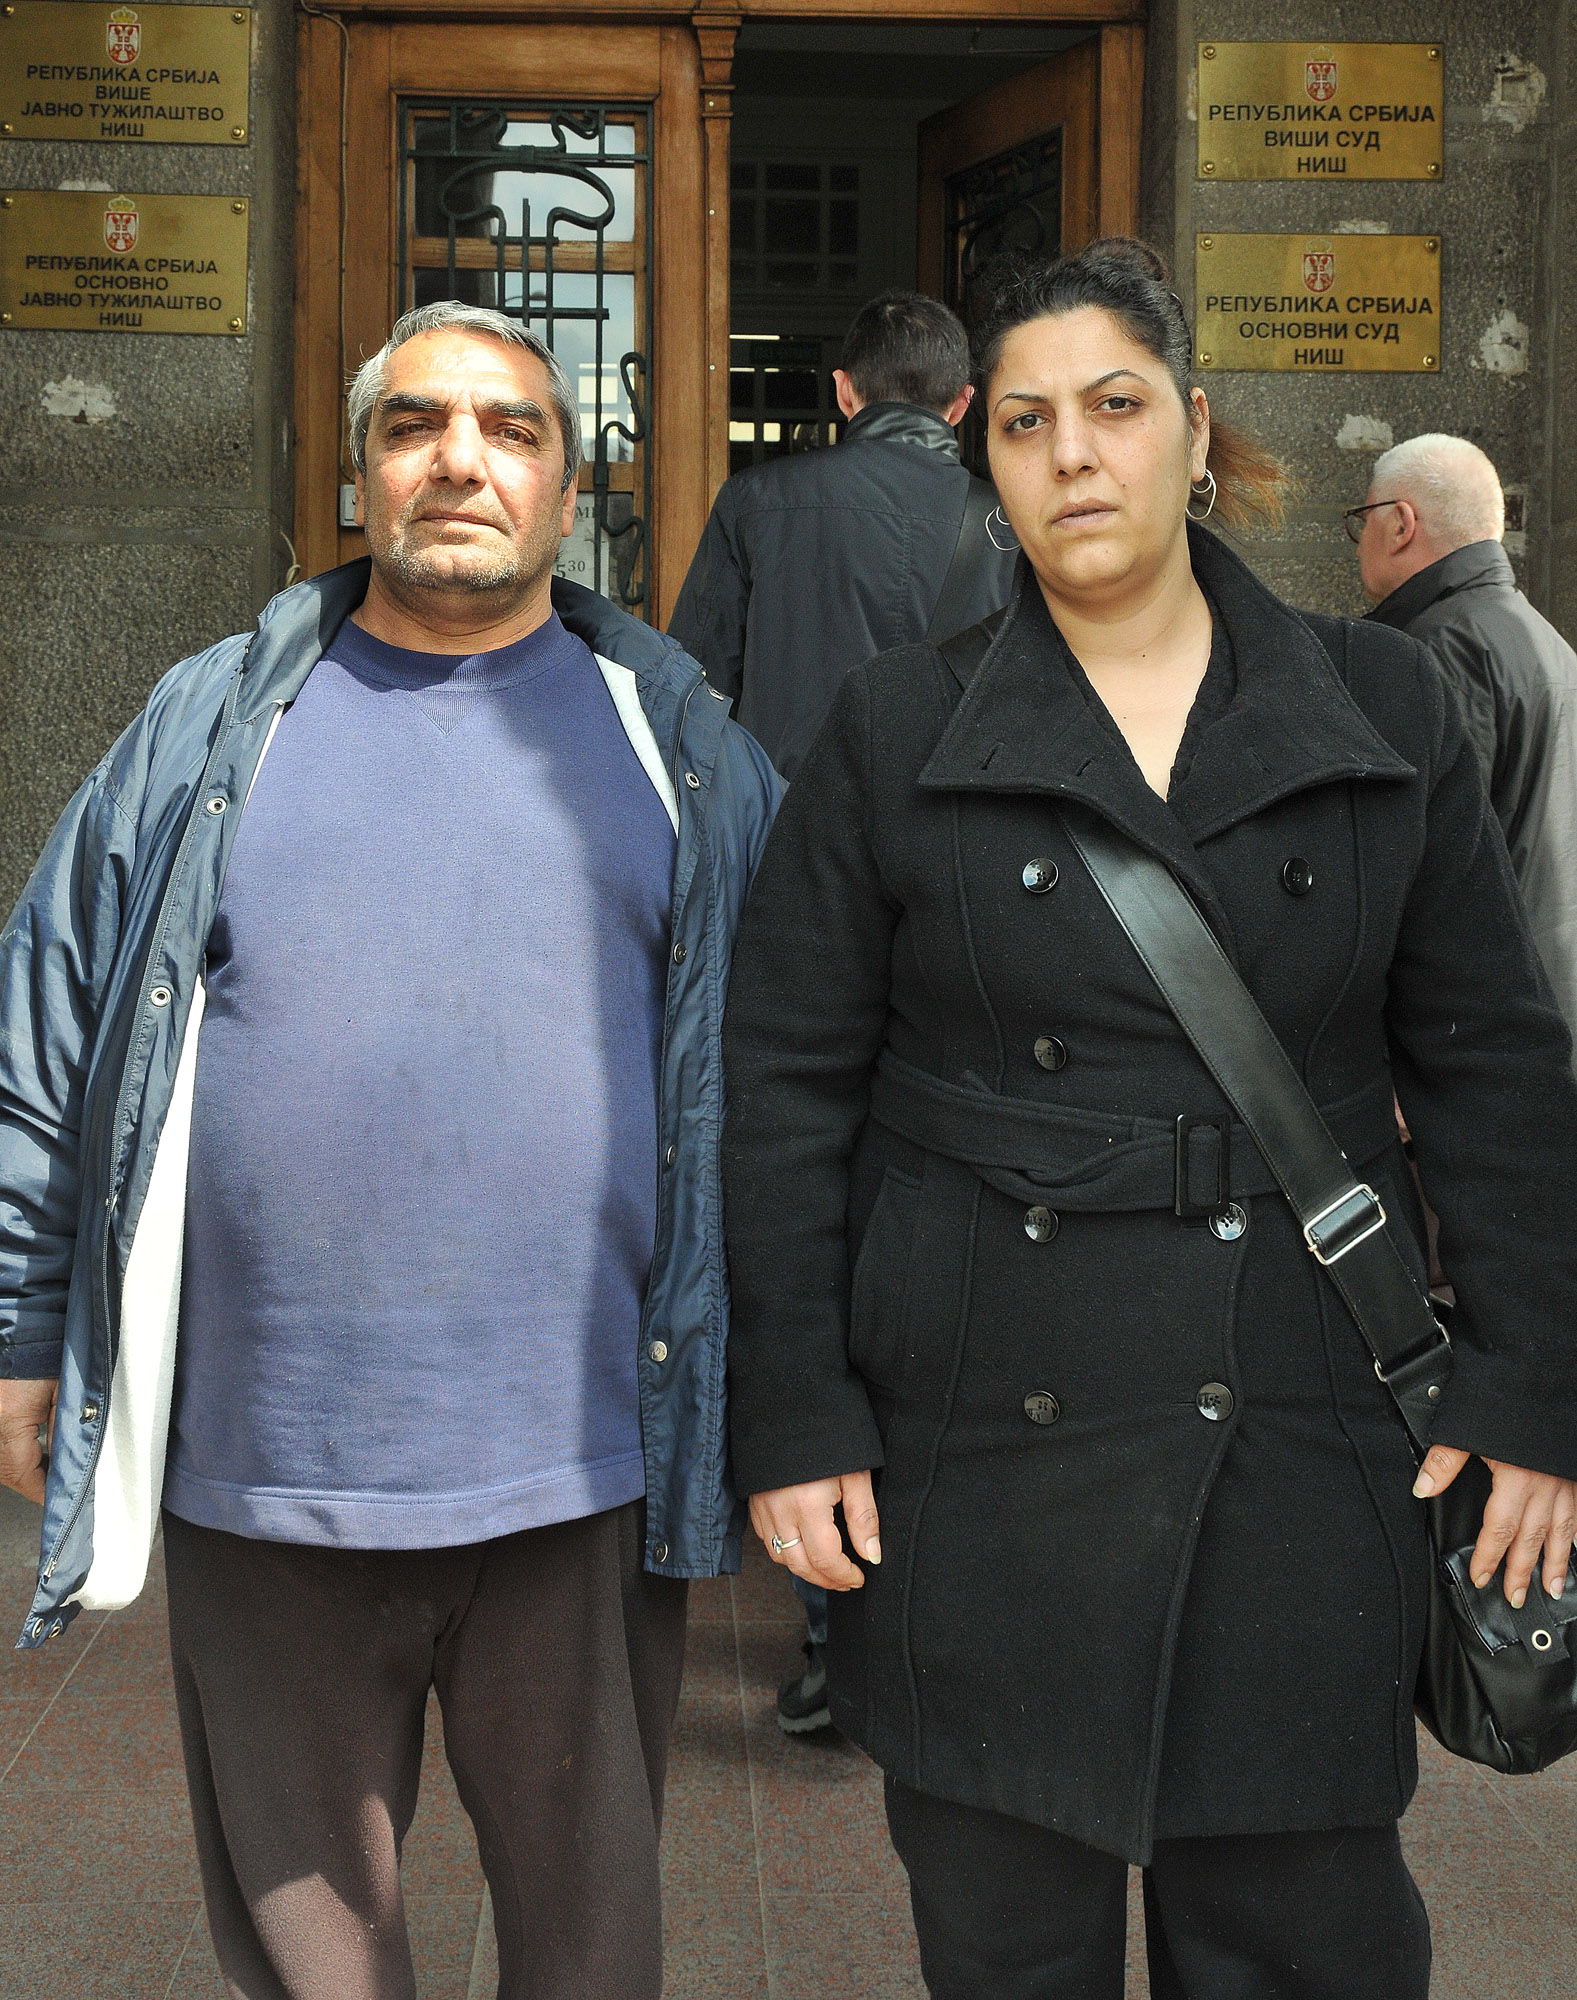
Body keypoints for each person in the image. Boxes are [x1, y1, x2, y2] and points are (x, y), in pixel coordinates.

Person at [721, 241, 1577, 1999]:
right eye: (1025, 422)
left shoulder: (1380, 704)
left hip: (1300, 1425)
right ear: (988, 460)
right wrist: (794, 1407)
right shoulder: (894, 729)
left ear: (1194, 430)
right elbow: (785, 1087)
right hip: (976, 1447)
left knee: (1304, 1944)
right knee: (1007, 1949)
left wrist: (1534, 1390)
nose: (1073, 455)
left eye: (1113, 407)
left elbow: (1492, 1067)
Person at [0, 301, 778, 2000]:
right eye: (414, 425)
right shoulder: (208, 725)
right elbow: (47, 1039)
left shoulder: (682, 743)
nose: (459, 461)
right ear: (357, 476)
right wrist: (18, 1332)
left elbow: (792, 1082)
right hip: (265, 1456)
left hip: (581, 1464)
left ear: (568, 488)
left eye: (510, 429)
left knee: (587, 1943)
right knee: (311, 1963)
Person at [668, 289, 1019, 781]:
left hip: (790, 809)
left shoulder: (754, 501)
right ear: (963, 403)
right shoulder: (1011, 521)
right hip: (956, 814)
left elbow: (696, 687)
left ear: (843, 390)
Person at [1350, 432, 1577, 1036]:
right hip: (1547, 997)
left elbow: (1430, 866)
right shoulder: (1544, 640)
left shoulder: (1436, 650)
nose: (1359, 542)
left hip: (1481, 1024)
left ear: (1400, 524)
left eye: (1362, 520)